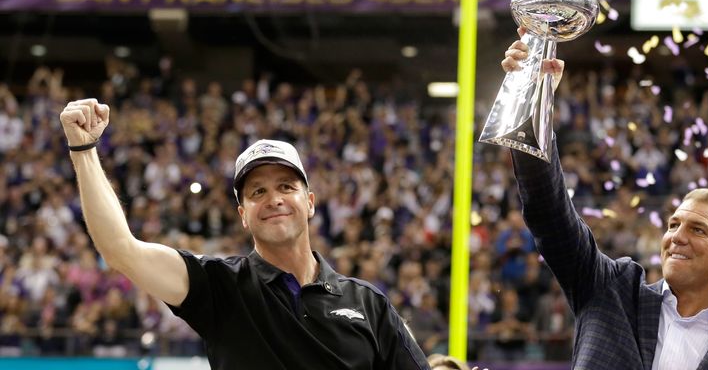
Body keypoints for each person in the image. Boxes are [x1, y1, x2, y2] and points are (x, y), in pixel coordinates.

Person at [59, 98, 430, 370]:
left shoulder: (368, 304)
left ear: (311, 202)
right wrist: (84, 150)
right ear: (243, 216)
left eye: (287, 186)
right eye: (257, 192)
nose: (274, 199)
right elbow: (121, 249)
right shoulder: (220, 286)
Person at [499, 28, 708, 370]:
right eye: (673, 224)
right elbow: (547, 211)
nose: (676, 237)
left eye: (698, 230)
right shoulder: (610, 288)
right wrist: (533, 99)